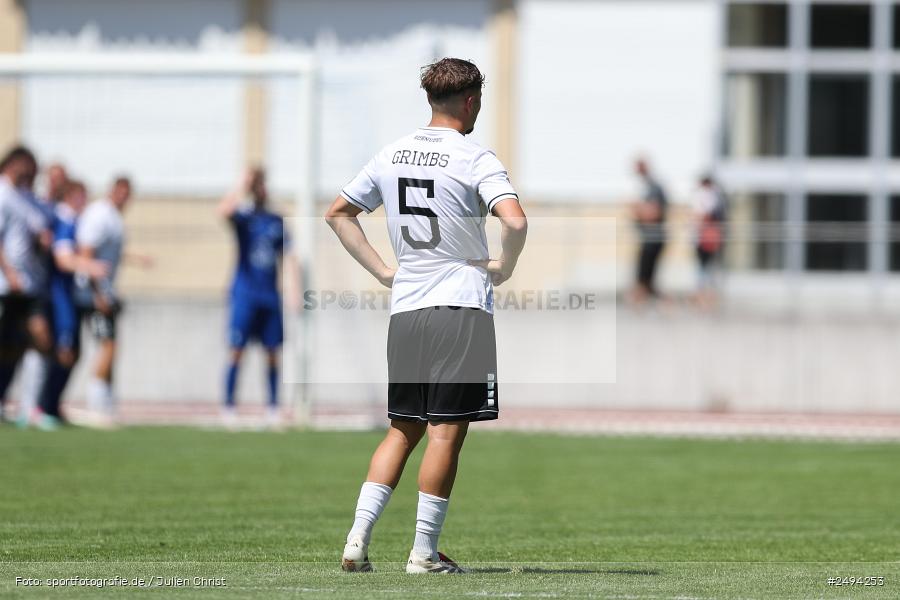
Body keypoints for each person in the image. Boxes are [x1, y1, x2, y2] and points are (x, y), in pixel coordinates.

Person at [326, 58, 527, 574]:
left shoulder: (391, 153)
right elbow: (515, 220)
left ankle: (356, 539)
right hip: (460, 308)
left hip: (408, 310)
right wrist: (504, 264)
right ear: (472, 101)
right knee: (444, 434)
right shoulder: (476, 157)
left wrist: (381, 271)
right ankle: (422, 553)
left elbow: (338, 213)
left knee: (402, 429)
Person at [218, 167, 296, 429]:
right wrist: (242, 184)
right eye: (256, 184)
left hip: (270, 297)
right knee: (236, 351)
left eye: (261, 184)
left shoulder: (276, 220)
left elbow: (289, 255)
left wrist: (294, 290)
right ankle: (228, 407)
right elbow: (224, 212)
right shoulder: (243, 217)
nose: (259, 189)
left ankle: (273, 408)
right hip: (244, 295)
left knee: (273, 353)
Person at [75, 176, 146, 426]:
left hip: (105, 291)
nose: (124, 198)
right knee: (107, 346)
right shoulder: (100, 215)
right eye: (121, 192)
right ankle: (97, 403)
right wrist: (98, 293)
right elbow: (86, 253)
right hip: (92, 292)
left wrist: (137, 260)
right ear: (112, 191)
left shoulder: (113, 218)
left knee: (111, 345)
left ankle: (106, 399)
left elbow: (111, 252)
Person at [38, 179, 107, 424]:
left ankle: (52, 406)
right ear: (70, 197)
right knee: (64, 351)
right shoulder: (65, 222)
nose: (85, 202)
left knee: (73, 351)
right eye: (82, 196)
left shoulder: (76, 223)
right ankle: (45, 407)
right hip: (60, 297)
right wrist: (91, 267)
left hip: (71, 298)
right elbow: (63, 259)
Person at [0, 146, 50, 425]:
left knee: (39, 340)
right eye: (29, 166)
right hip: (7, 285)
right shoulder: (2, 193)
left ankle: (29, 408)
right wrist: (10, 272)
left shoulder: (22, 196)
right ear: (16, 163)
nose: (33, 172)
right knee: (6, 347)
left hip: (30, 285)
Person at [628, 158, 668, 304]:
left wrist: (637, 209)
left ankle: (647, 303)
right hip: (648, 238)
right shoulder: (646, 186)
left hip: (653, 239)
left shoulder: (654, 187)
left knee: (645, 279)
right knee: (645, 278)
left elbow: (652, 214)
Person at [692, 175, 726, 310]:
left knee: (706, 268)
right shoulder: (716, 196)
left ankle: (706, 296)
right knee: (706, 267)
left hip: (706, 237)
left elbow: (704, 214)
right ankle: (705, 296)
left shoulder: (708, 196)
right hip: (705, 237)